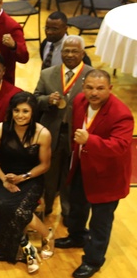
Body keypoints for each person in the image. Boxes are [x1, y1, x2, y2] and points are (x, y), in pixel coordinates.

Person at [56, 70, 134, 278]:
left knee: (100, 221)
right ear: (83, 88)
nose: (94, 93)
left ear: (110, 88)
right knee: (77, 206)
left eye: (100, 88)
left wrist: (89, 140)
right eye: (90, 87)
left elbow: (120, 146)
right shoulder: (80, 101)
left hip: (108, 176)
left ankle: (93, 260)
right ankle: (76, 236)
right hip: (83, 166)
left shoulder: (121, 114)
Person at [0, 93, 54, 273]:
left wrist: (24, 177)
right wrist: (4, 179)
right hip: (4, 176)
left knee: (19, 210)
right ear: (11, 111)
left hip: (31, 178)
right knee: (1, 205)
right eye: (16, 110)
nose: (20, 115)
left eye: (25, 111)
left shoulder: (43, 133)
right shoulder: (0, 129)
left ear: (33, 113)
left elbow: (45, 165)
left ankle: (47, 234)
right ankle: (27, 246)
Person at [34, 35, 92, 218]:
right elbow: (34, 99)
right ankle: (46, 207)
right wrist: (46, 100)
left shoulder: (91, 76)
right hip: (51, 132)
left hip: (77, 135)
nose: (70, 54)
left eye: (75, 51)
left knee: (71, 175)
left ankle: (68, 213)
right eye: (66, 50)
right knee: (48, 173)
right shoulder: (48, 73)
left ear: (82, 53)